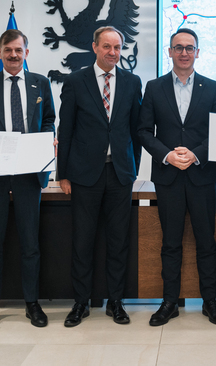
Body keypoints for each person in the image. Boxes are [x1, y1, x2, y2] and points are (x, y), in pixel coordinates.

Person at [138, 28, 216, 326]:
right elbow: (143, 131)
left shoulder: (212, 87)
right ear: (170, 52)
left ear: (197, 52)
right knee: (171, 243)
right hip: (168, 177)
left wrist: (196, 154)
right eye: (179, 47)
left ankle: (210, 301)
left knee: (206, 242)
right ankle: (169, 302)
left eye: (190, 48)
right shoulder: (154, 87)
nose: (184, 52)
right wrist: (167, 155)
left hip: (202, 176)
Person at [58, 26, 142, 327]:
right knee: (83, 240)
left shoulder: (132, 82)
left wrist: (132, 168)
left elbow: (135, 130)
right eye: (107, 46)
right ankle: (81, 302)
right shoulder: (75, 81)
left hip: (120, 173)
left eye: (117, 47)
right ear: (94, 47)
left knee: (118, 240)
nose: (112, 52)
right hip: (84, 174)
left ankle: (115, 302)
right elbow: (66, 129)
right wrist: (63, 174)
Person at [0, 29, 55, 327]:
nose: (13, 55)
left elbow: (49, 119)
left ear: (26, 53)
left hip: (28, 173)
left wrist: (46, 142)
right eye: (8, 50)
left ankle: (32, 303)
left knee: (30, 241)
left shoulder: (40, 83)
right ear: (0, 53)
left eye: (18, 50)